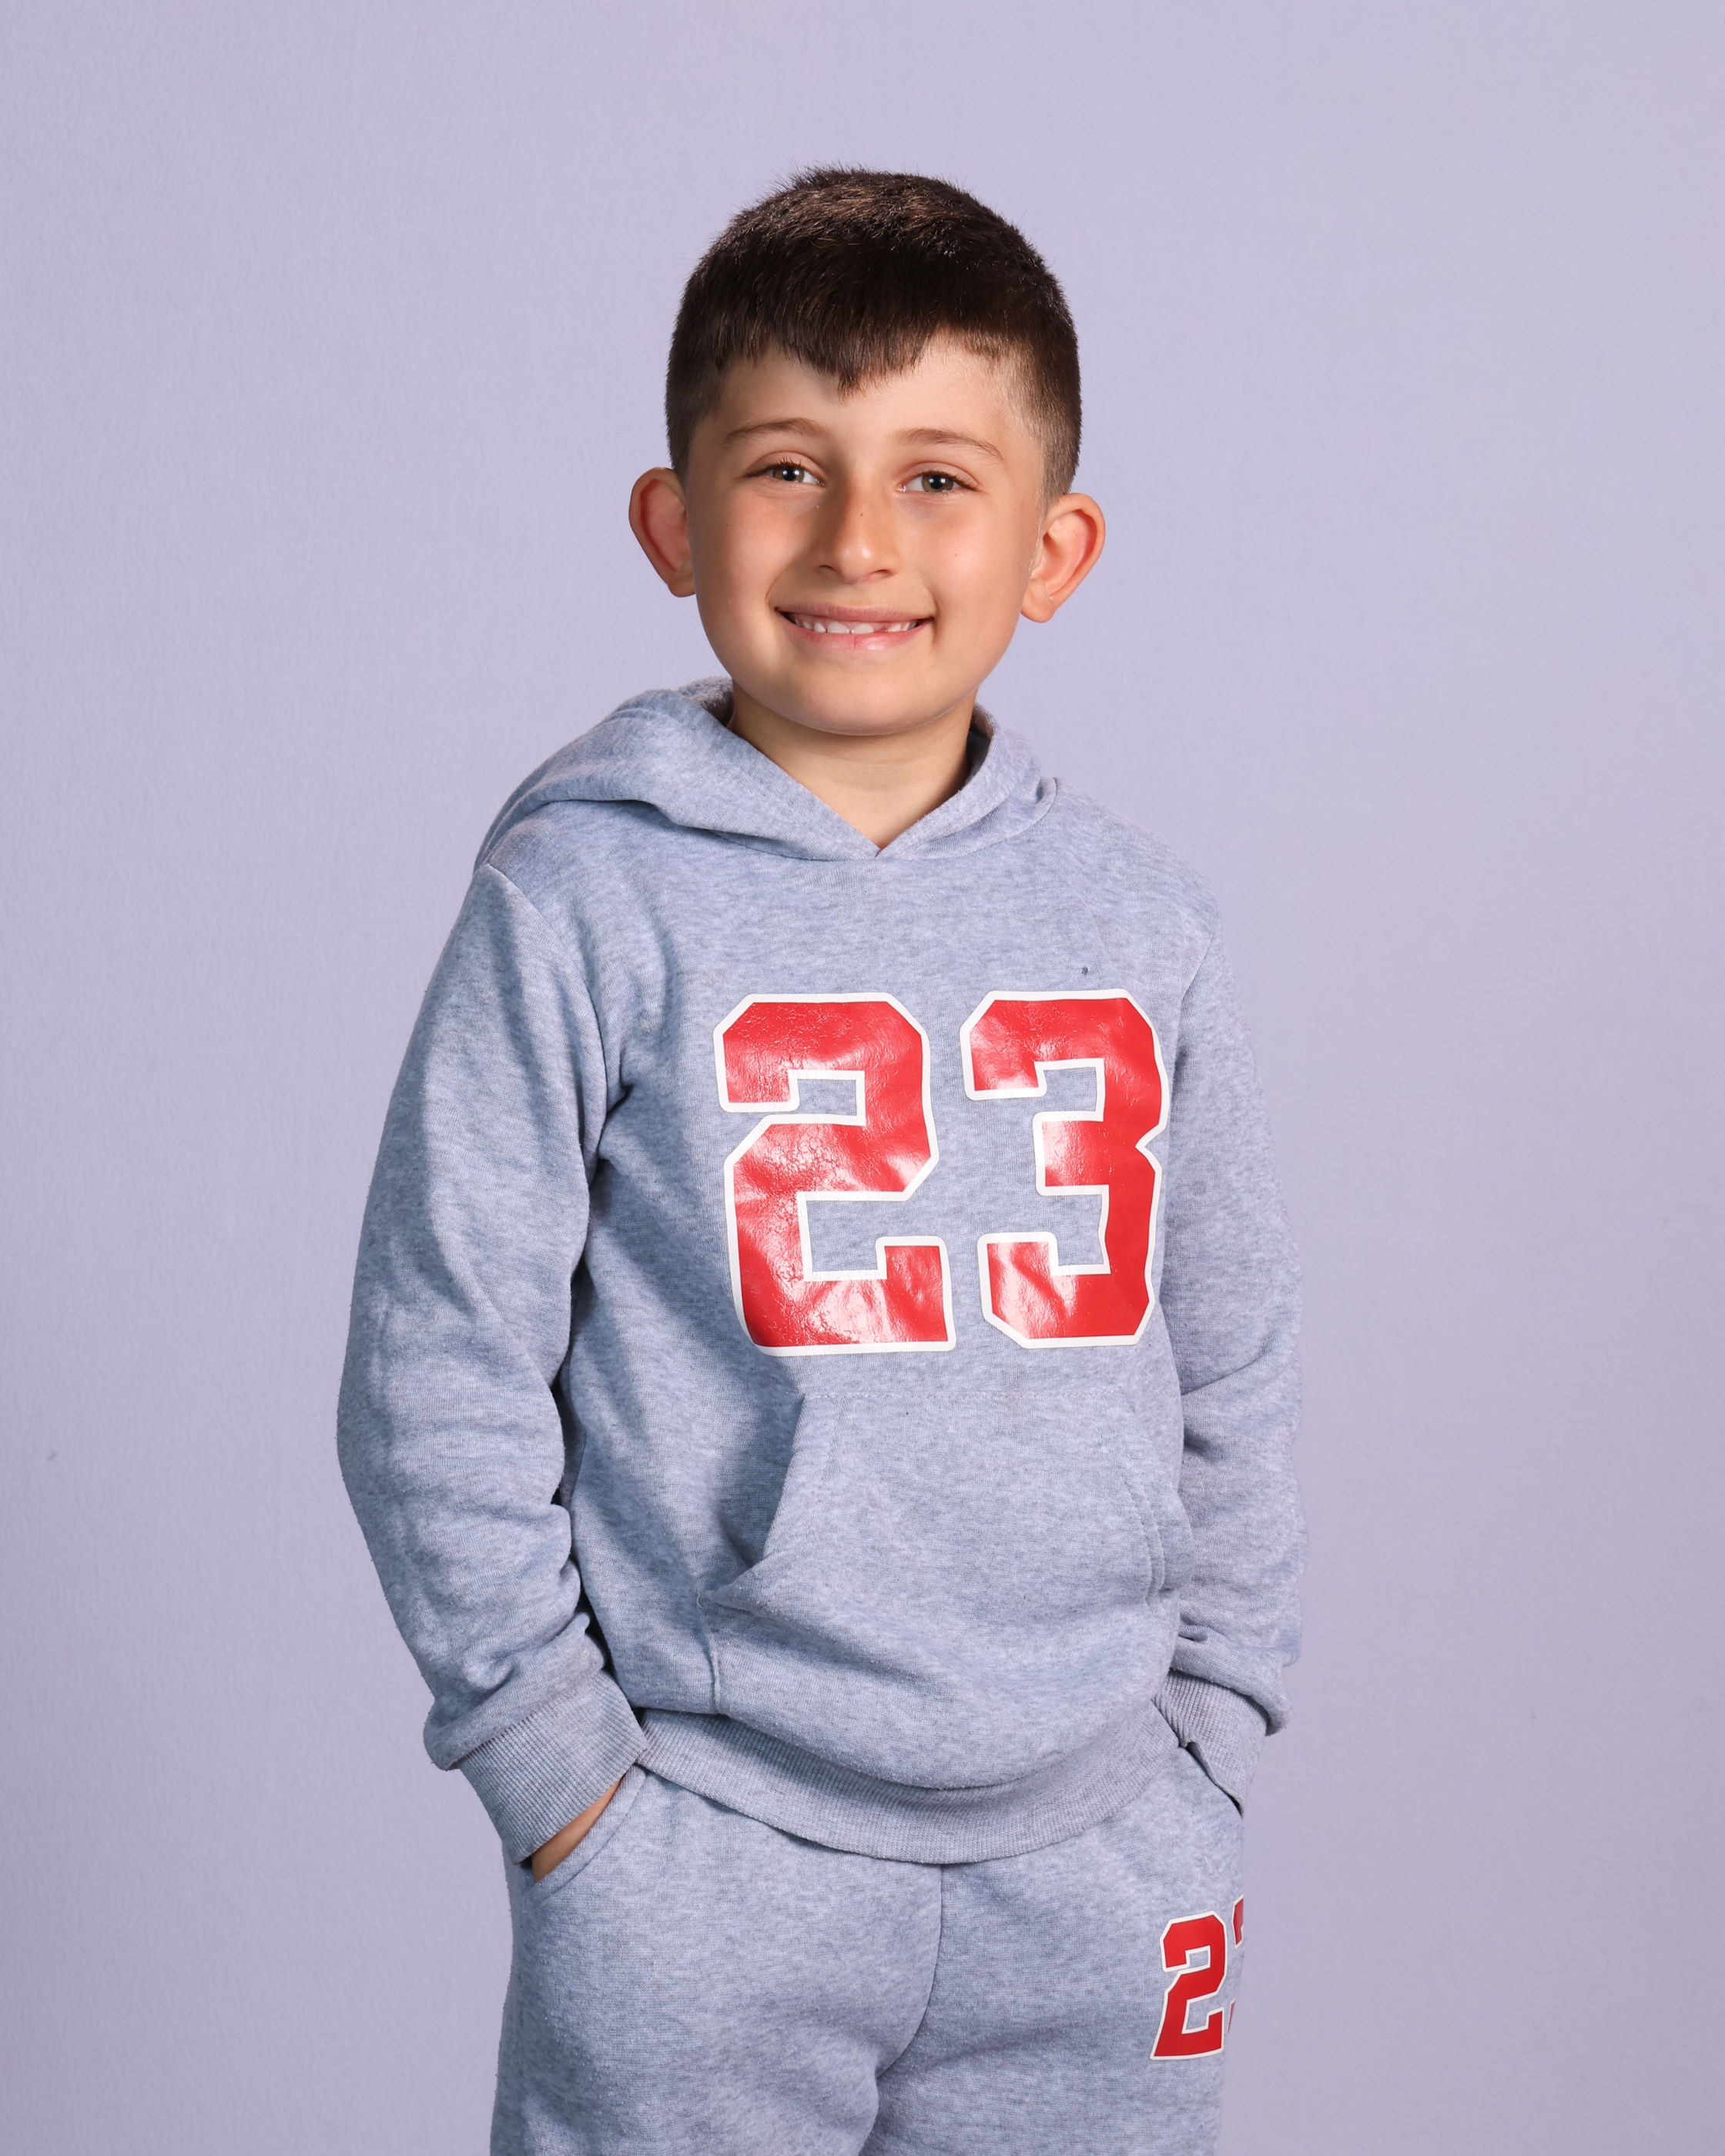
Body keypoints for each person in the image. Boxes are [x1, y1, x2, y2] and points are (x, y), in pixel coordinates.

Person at [338, 167, 1303, 2156]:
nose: (861, 539)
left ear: (1055, 547)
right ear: (675, 522)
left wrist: (1215, 1729)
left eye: (940, 478)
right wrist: (560, 1785)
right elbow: (437, 1361)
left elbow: (1234, 1355)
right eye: (789, 467)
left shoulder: (1145, 926)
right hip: (707, 1850)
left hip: (1103, 1851)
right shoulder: (582, 899)